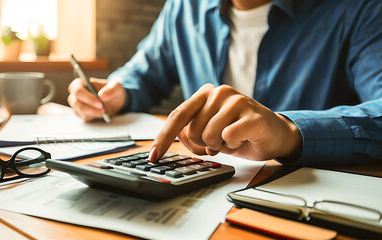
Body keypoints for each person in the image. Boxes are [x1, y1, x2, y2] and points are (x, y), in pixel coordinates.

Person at [68, 0, 382, 166]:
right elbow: (143, 73)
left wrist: (288, 132)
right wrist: (115, 92)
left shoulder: (358, 9)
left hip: (299, 195)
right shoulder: (183, 7)